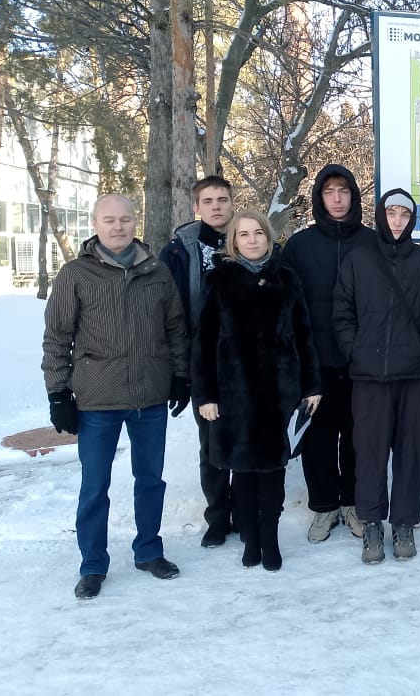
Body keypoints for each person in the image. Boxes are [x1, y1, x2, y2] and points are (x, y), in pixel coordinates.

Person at [43, 194, 189, 599]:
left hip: (149, 395)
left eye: (125, 219)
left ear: (134, 221)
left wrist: (180, 376)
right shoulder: (75, 274)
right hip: (96, 398)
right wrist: (58, 392)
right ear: (96, 223)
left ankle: (148, 551)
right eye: (109, 220)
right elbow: (57, 338)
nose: (118, 227)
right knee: (95, 485)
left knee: (150, 480)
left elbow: (175, 329)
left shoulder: (157, 272)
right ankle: (92, 564)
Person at [193, 211, 322, 571]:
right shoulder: (218, 281)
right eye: (243, 234)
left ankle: (270, 538)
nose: (251, 240)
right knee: (243, 473)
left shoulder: (286, 279)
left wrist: (311, 386)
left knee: (273, 471)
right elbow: (202, 344)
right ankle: (250, 538)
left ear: (268, 237)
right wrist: (206, 396)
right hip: (234, 395)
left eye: (258, 233)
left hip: (279, 394)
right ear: (234, 241)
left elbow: (304, 335)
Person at [333, 189, 420, 564]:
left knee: (412, 453)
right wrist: (356, 351)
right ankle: (370, 523)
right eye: (391, 213)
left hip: (413, 375)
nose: (397, 220)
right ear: (381, 216)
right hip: (369, 377)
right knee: (369, 453)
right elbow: (343, 312)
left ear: (412, 219)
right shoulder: (359, 258)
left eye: (404, 214)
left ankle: (404, 522)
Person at [281, 164, 375, 542]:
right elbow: (286, 305)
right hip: (315, 362)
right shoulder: (300, 246)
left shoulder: (372, 243)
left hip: (361, 361)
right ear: (320, 198)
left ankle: (352, 502)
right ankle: (323, 507)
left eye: (344, 191)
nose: (337, 199)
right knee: (317, 439)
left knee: (358, 436)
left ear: (354, 196)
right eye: (329, 192)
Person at [159, 175, 237, 548]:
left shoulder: (249, 238)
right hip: (204, 363)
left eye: (223, 199)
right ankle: (219, 516)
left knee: (249, 437)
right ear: (197, 207)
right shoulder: (179, 252)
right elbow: (170, 316)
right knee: (213, 443)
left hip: (247, 363)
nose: (217, 206)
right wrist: (180, 371)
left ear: (232, 203)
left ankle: (249, 509)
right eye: (208, 201)